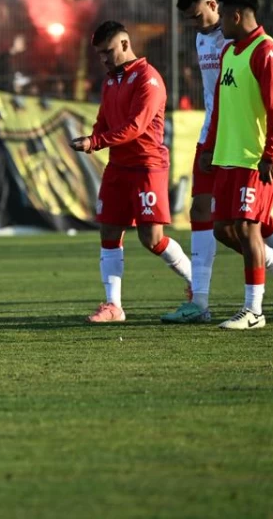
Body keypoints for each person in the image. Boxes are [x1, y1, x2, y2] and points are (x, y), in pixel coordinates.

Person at [162, 0, 273, 323]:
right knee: (215, 221)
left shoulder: (258, 49)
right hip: (220, 143)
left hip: (252, 150)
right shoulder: (219, 45)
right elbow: (219, 101)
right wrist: (209, 143)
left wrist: (271, 150)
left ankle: (261, 301)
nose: (196, 24)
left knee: (255, 224)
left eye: (200, 16)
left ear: (219, 9)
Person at [197, 0, 273, 329]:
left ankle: (253, 311)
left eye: (224, 16)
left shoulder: (267, 53)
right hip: (228, 157)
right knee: (222, 230)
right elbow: (219, 109)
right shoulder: (230, 50)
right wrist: (209, 148)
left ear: (235, 14)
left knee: (247, 229)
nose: (219, 26)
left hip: (255, 159)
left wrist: (272, 152)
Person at [70, 21, 192, 323]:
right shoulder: (111, 80)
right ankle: (114, 306)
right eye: (99, 54)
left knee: (151, 238)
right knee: (109, 231)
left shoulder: (148, 79)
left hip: (147, 166)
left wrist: (95, 142)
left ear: (125, 44)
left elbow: (136, 127)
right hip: (118, 166)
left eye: (107, 52)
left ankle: (196, 283)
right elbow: (104, 119)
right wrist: (94, 135)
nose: (103, 59)